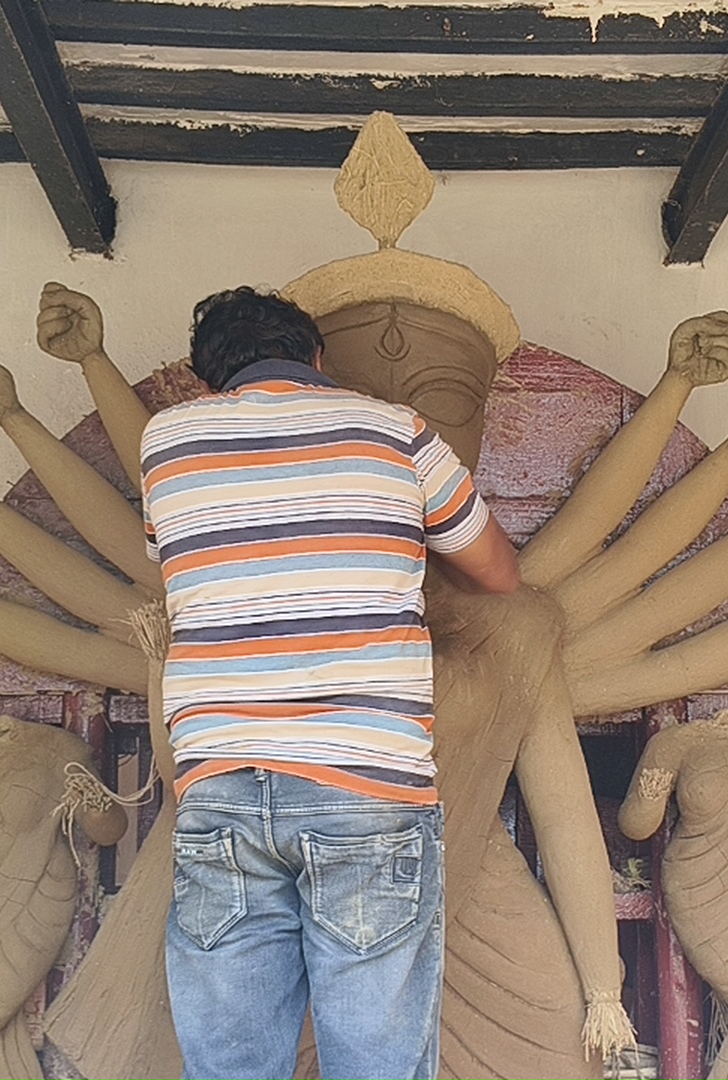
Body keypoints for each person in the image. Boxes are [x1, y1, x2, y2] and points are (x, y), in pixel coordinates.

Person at [141, 285, 519, 1080]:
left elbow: (172, 551)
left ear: (209, 377)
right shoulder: (397, 431)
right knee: (377, 1060)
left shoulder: (167, 443)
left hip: (220, 784)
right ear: (317, 357)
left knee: (231, 1063)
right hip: (366, 784)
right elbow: (497, 573)